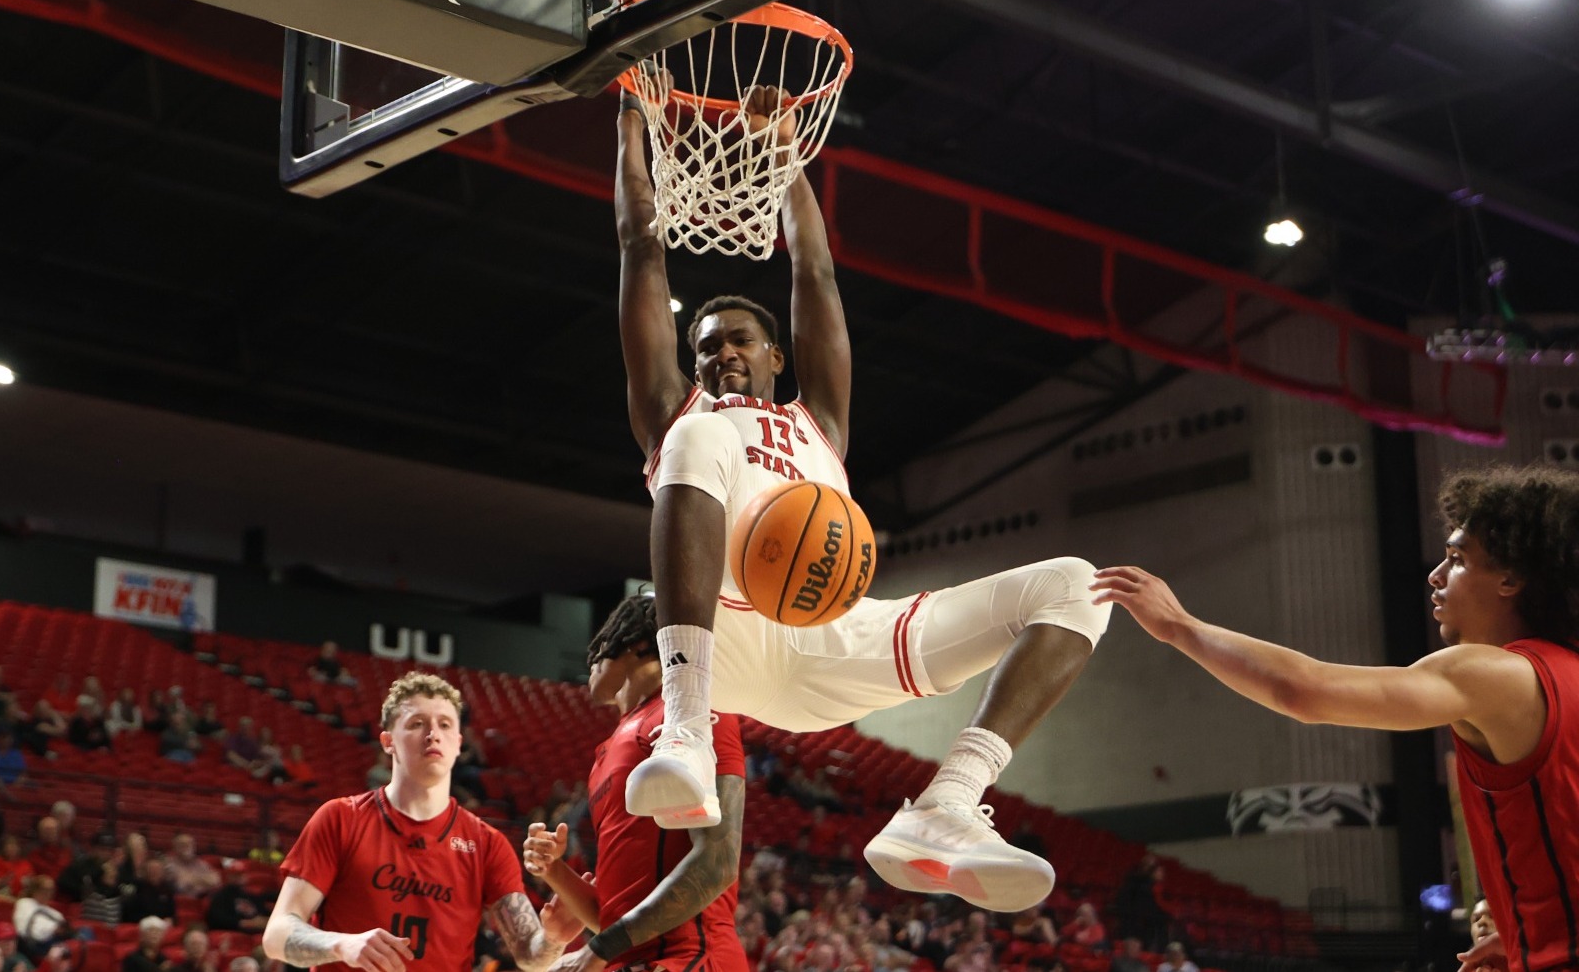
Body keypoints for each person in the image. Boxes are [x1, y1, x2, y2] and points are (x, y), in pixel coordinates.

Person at [611, 92, 1109, 912]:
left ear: (776, 352)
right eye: (706, 346)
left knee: (1078, 583)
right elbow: (640, 246)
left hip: (829, 634)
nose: (722, 354)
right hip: (724, 637)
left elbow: (814, 270)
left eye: (739, 339)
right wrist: (630, 126)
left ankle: (948, 802)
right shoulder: (679, 414)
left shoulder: (820, 423)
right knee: (698, 442)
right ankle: (687, 729)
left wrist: (786, 154)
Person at [1089, 464, 1579, 972]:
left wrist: (1179, 626)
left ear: (1512, 578)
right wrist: (1530, 933)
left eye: (1457, 559)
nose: (1435, 575)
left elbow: (1304, 690)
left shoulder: (1494, 674)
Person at [263, 672, 582, 972]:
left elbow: (530, 956)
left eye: (445, 725)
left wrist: (554, 939)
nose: (433, 734)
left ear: (459, 743)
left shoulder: (487, 843)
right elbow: (276, 935)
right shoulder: (340, 819)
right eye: (417, 723)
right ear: (388, 741)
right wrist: (341, 944)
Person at [521, 593, 748, 972]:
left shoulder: (692, 714)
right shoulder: (605, 753)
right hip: (631, 958)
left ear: (638, 644)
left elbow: (718, 864)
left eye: (600, 649)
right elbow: (611, 917)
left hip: (689, 956)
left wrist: (599, 950)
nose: (590, 662)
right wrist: (556, 870)